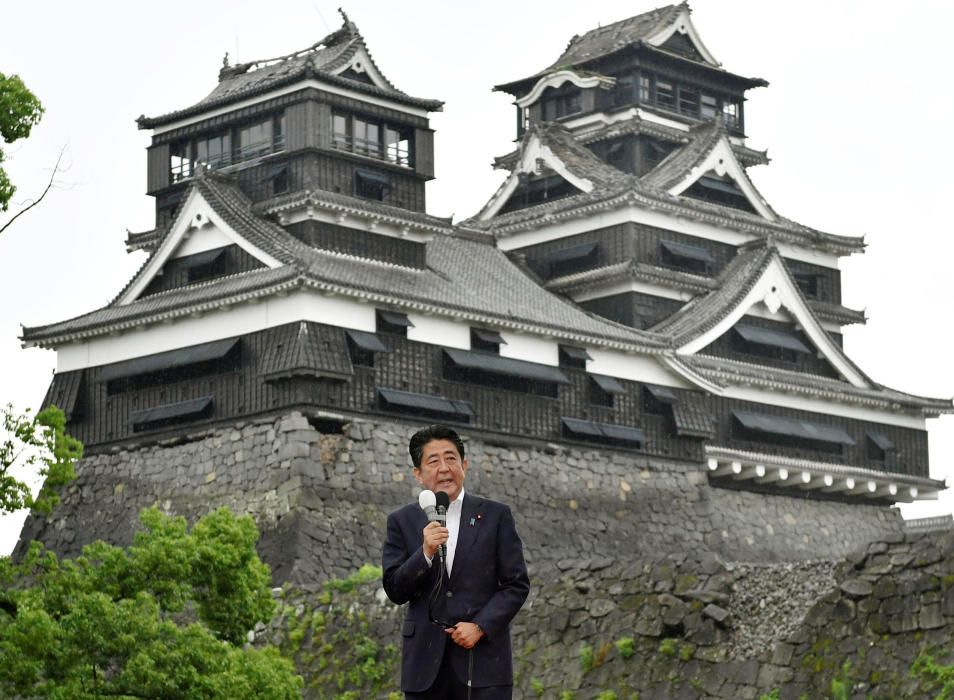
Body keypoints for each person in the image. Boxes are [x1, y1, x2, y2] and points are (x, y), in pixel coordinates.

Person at [382, 424, 530, 699]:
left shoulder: (496, 516)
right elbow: (394, 589)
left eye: (451, 458)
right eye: (433, 461)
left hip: (483, 663)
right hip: (424, 668)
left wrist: (480, 626)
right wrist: (424, 553)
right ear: (418, 474)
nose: (444, 468)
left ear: (464, 465)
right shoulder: (402, 521)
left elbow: (516, 584)